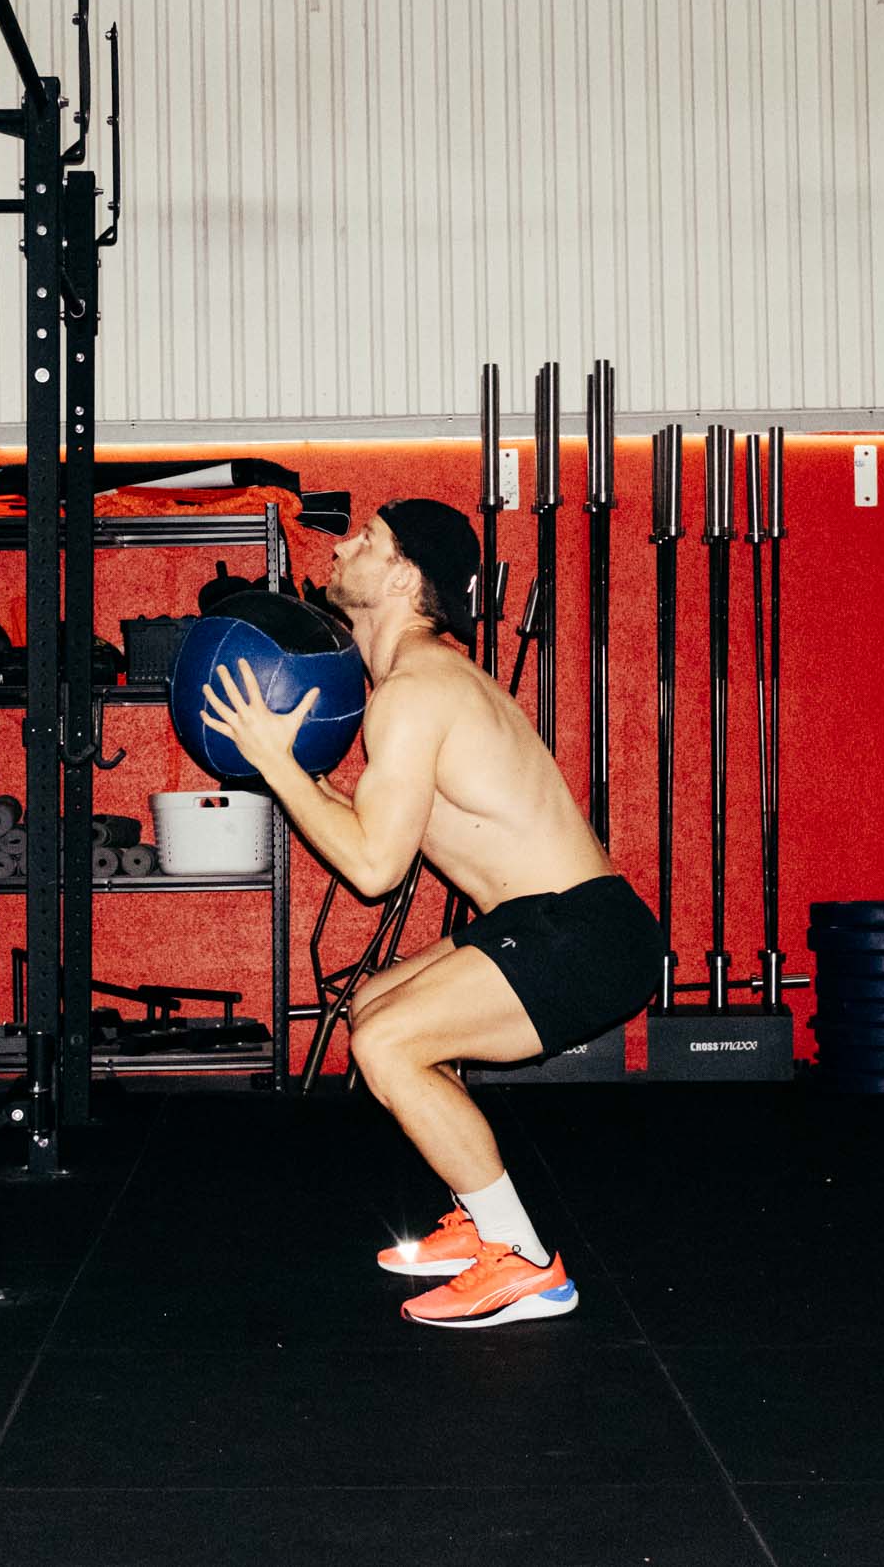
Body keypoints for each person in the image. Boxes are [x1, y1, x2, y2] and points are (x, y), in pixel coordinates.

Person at [198, 498, 659, 1329]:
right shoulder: (417, 680)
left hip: (583, 932)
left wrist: (275, 762)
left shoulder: (413, 691)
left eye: (366, 540)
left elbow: (375, 869)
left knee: (388, 1044)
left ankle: (522, 1262)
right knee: (372, 1005)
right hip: (549, 919)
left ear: (407, 577)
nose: (341, 546)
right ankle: (479, 1218)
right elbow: (382, 836)